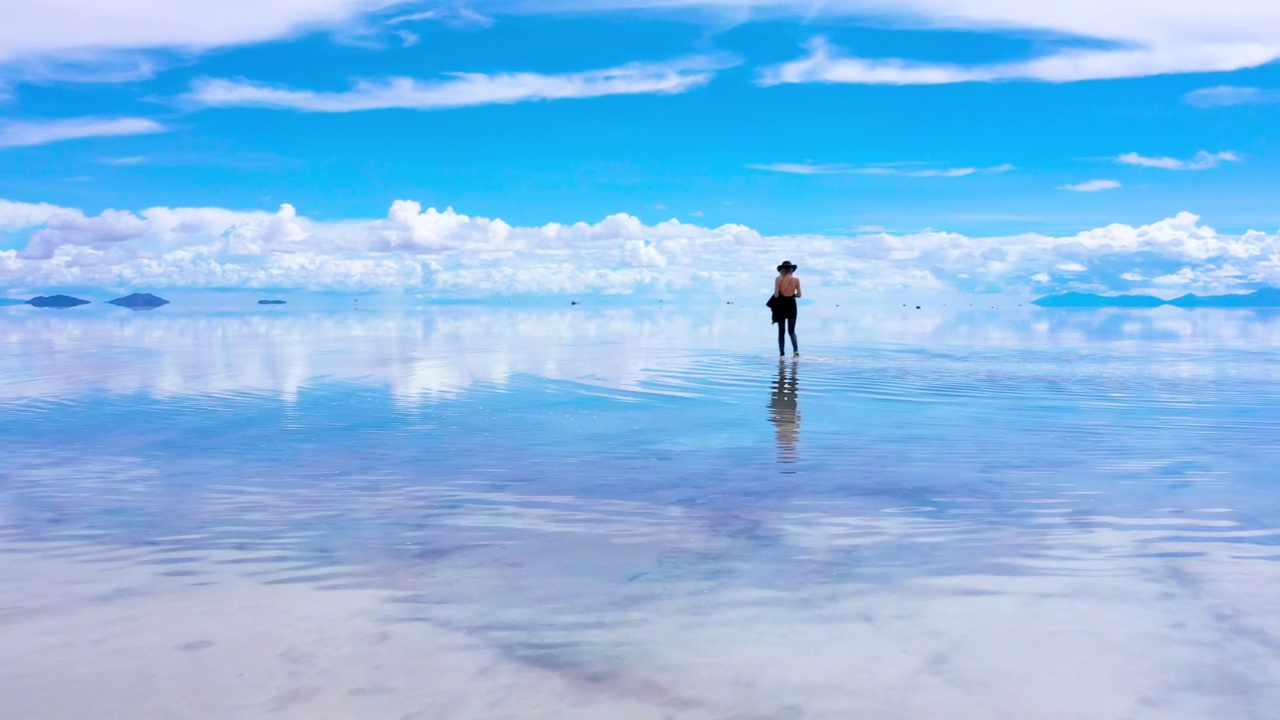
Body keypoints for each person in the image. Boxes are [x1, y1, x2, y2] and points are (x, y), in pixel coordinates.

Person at [770, 261, 801, 356]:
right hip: (791, 304)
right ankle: (796, 351)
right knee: (791, 331)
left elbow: (776, 295)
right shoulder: (796, 279)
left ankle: (782, 353)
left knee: (781, 331)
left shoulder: (778, 279)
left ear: (782, 269)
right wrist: (792, 295)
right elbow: (799, 295)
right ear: (791, 269)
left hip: (781, 305)